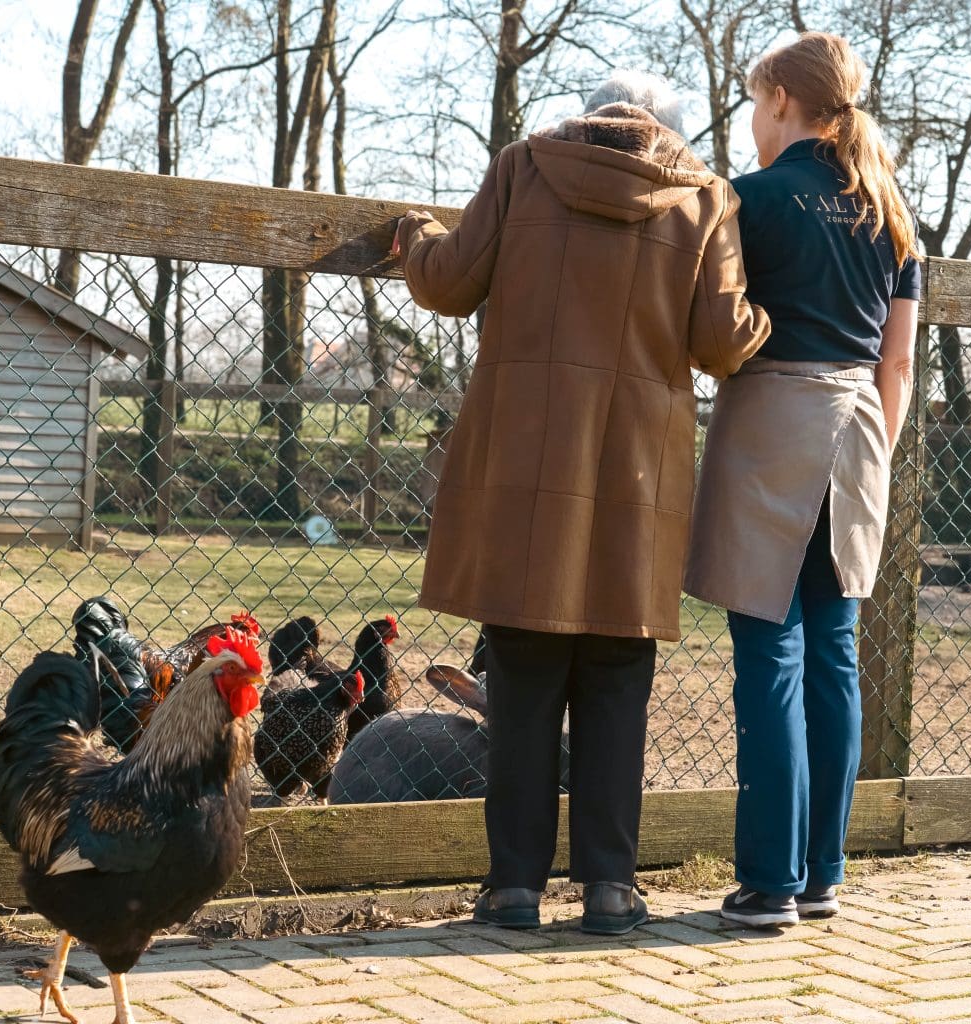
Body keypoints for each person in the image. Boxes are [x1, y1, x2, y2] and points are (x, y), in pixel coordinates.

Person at [393, 70, 770, 935]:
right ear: (665, 130)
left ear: (591, 115)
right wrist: (765, 318)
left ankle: (513, 891)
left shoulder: (524, 168)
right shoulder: (705, 199)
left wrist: (414, 233)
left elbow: (448, 283)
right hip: (637, 475)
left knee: (521, 682)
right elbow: (722, 344)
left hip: (527, 465)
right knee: (616, 681)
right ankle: (611, 888)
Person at [684, 32, 921, 929]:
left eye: (754, 101)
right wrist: (875, 450)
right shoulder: (890, 211)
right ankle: (824, 875)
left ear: (781, 97)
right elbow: (896, 362)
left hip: (775, 422)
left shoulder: (747, 201)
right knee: (835, 652)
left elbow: (716, 325)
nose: (750, 119)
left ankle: (768, 884)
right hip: (862, 428)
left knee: (771, 654)